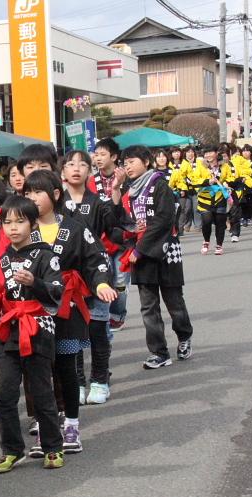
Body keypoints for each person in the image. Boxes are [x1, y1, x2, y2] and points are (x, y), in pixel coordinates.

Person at [24, 170, 116, 455]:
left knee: (66, 369)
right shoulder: (21, 229)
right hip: (33, 308)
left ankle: (72, 425)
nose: (31, 198)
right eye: (27, 193)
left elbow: (97, 258)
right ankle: (44, 425)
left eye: (38, 192)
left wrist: (100, 283)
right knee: (39, 371)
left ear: (54, 194)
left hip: (67, 305)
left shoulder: (75, 228)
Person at [0, 195, 65, 471]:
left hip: (36, 326)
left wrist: (35, 283)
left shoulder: (46, 256)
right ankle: (12, 449)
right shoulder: (1, 260)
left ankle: (52, 446)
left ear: (33, 223)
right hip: (7, 328)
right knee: (4, 394)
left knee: (41, 392)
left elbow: (57, 292)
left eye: (20, 221)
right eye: (7, 222)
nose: (13, 228)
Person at [111, 145, 194, 369]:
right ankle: (159, 352)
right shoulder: (129, 190)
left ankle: (184, 337)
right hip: (141, 254)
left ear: (146, 161)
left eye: (131, 161)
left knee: (174, 303)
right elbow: (121, 220)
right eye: (124, 162)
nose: (127, 166)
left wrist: (139, 250)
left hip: (165, 252)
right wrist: (116, 190)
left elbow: (164, 220)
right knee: (148, 306)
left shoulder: (160, 185)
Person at [61, 150, 120, 405]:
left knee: (97, 329)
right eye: (70, 164)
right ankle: (77, 381)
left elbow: (116, 228)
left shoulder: (98, 202)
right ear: (62, 170)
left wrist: (116, 192)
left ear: (89, 170)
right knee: (71, 333)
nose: (76, 168)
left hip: (96, 271)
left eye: (82, 164)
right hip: (66, 278)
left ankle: (99, 380)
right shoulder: (55, 203)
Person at [88, 138, 131, 332]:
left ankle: (117, 314)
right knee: (106, 279)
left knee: (121, 281)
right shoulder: (90, 181)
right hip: (100, 242)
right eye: (96, 154)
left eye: (102, 154)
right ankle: (104, 314)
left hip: (123, 240)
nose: (98, 158)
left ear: (114, 156)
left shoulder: (127, 178)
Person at [190, 146, 235, 256]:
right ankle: (206, 241)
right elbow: (194, 180)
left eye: (210, 152)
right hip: (205, 198)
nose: (208, 155)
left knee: (220, 222)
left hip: (220, 197)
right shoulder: (200, 166)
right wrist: (207, 181)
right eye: (206, 153)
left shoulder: (224, 165)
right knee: (207, 220)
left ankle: (219, 245)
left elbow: (231, 177)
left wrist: (227, 183)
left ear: (216, 153)